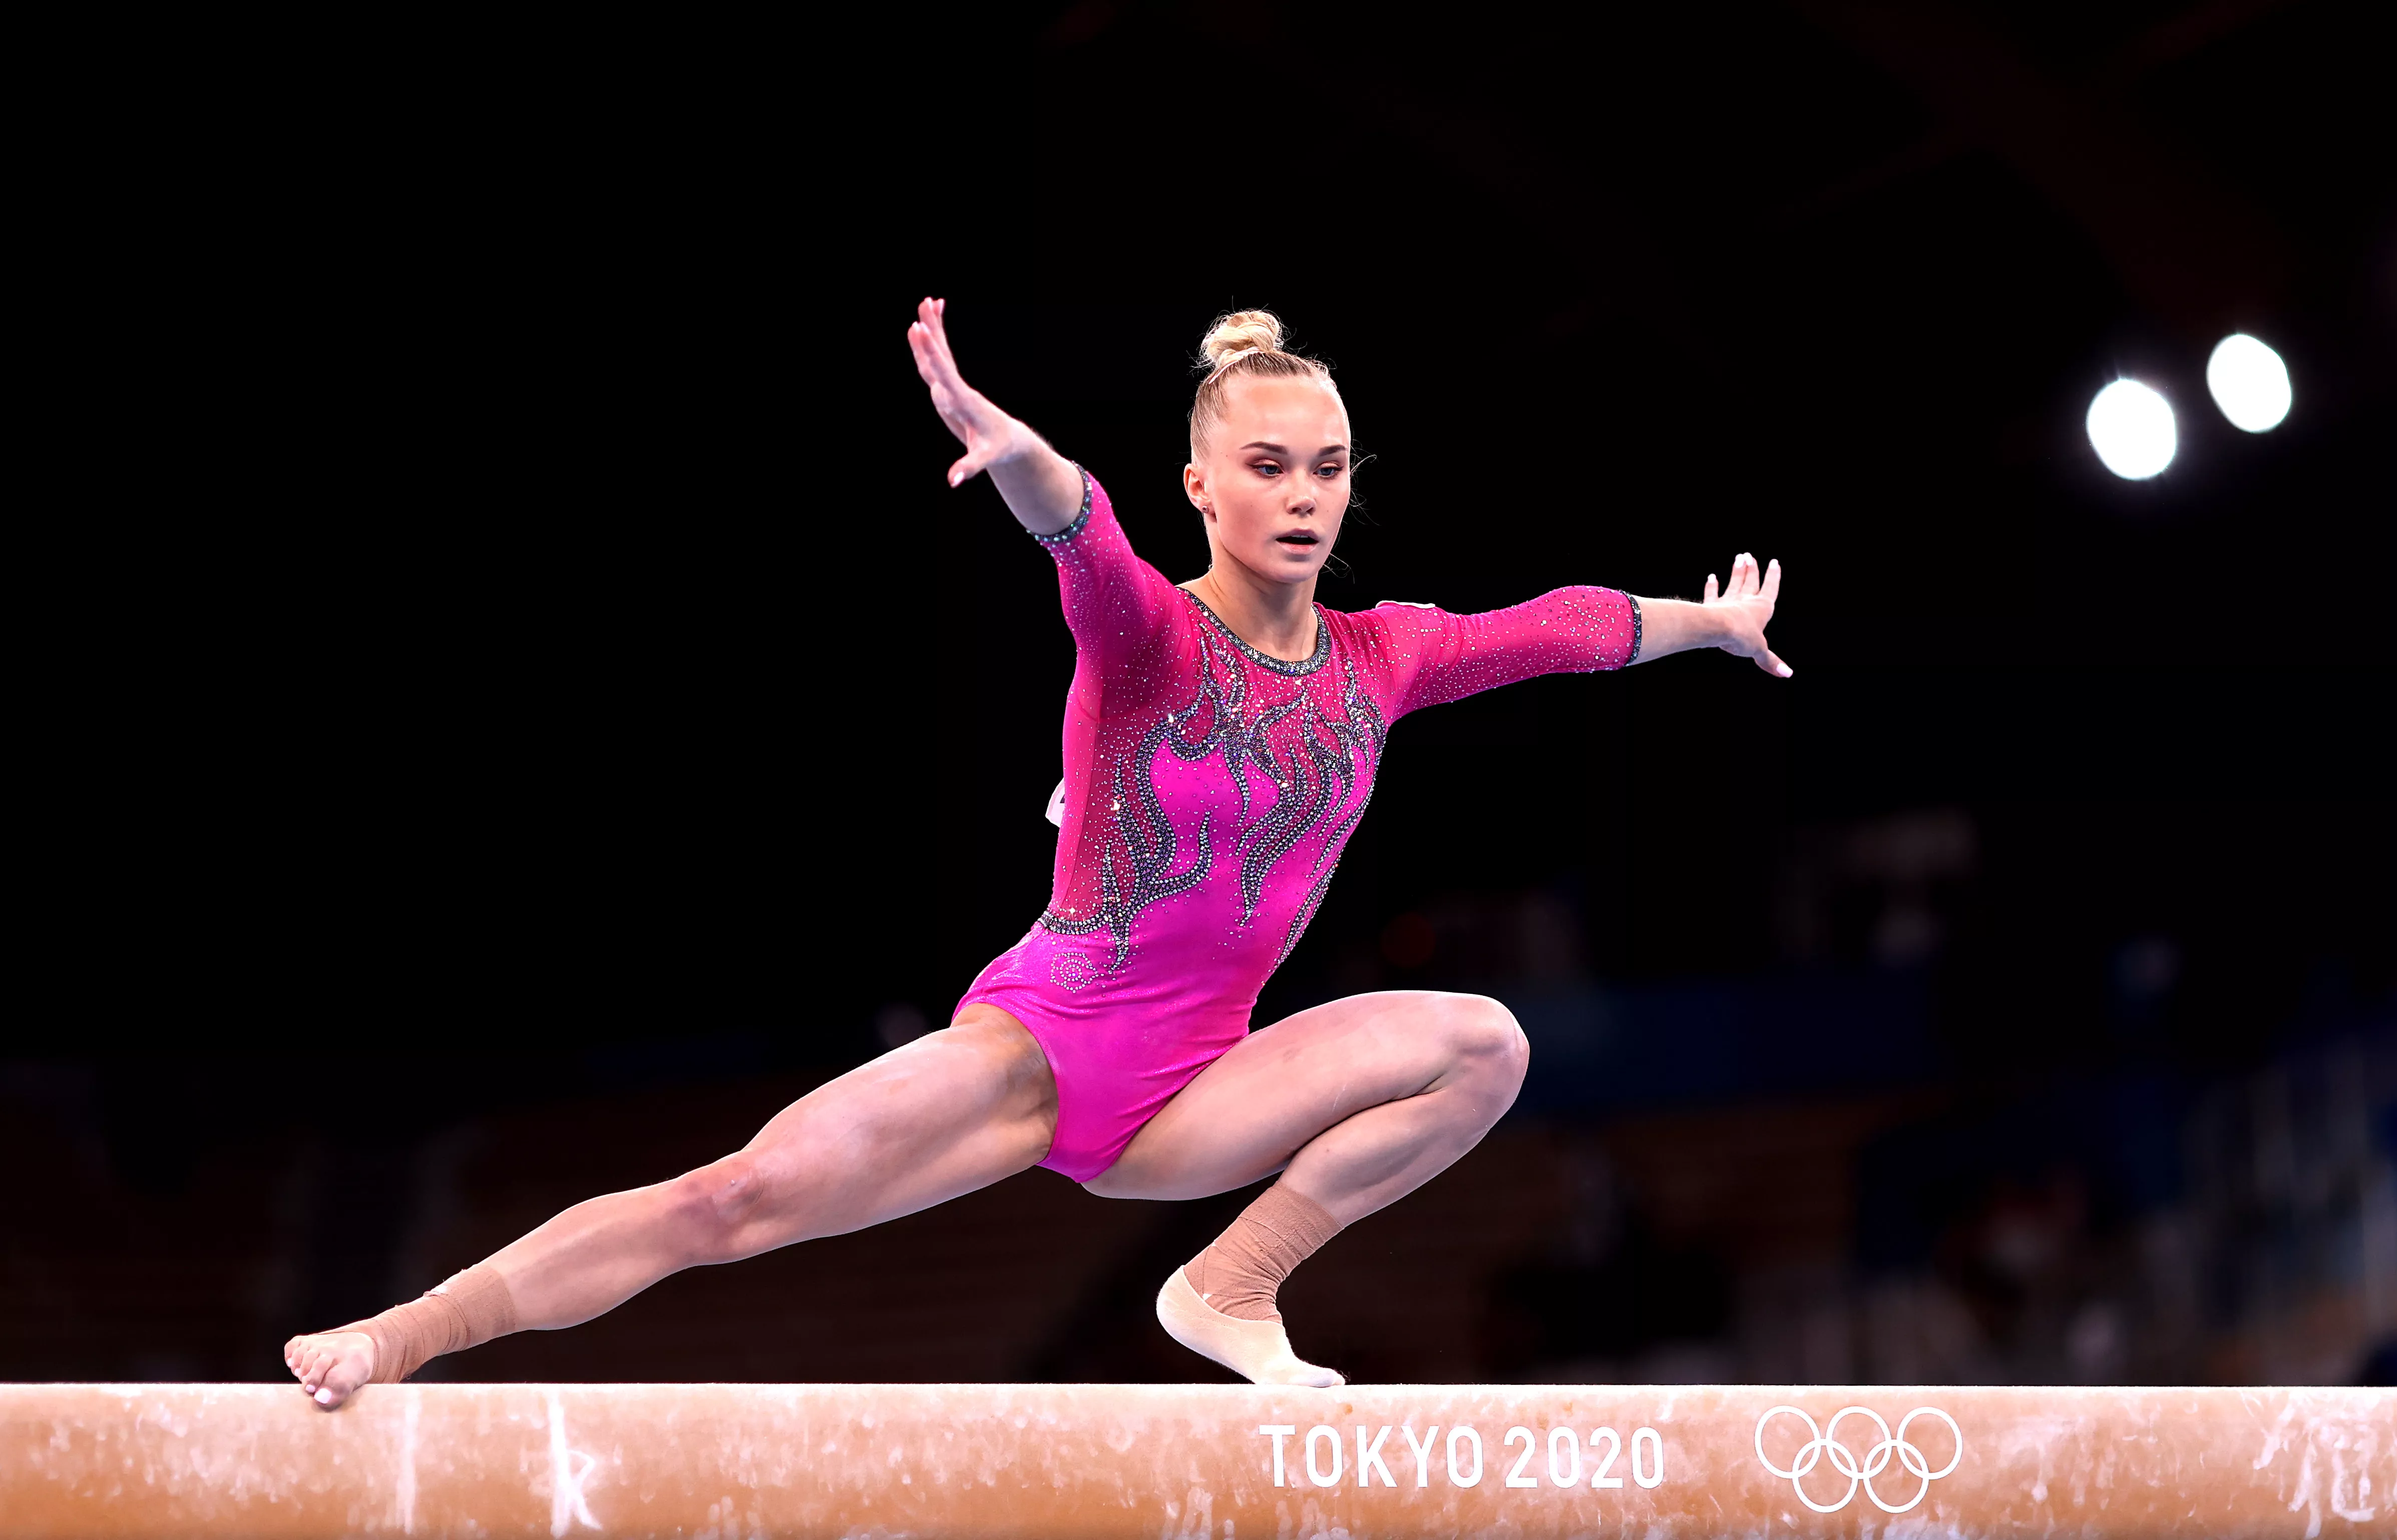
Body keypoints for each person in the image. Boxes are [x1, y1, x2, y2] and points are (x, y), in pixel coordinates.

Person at [283, 302, 1790, 1405]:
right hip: (1038, 1048)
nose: (1305, 495)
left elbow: (1556, 628)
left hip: (1200, 1086)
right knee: (726, 1201)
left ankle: (1228, 1281)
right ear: (1207, 484)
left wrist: (1705, 623)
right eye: (1267, 465)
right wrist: (1020, 458)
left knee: (1482, 1043)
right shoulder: (1150, 642)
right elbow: (1083, 535)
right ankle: (397, 1337)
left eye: (1327, 466)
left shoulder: (1380, 657)